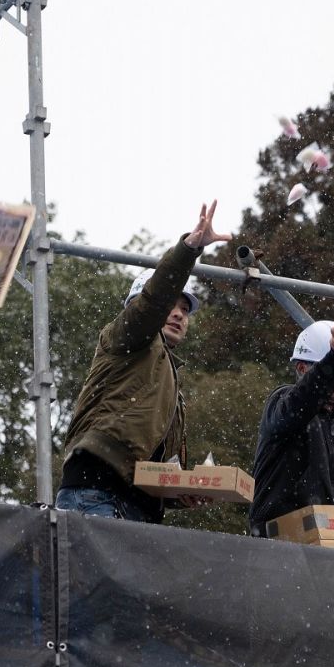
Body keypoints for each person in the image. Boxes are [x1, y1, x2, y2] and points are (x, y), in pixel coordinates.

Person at [56, 200, 231, 522]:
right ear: (138, 308)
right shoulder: (127, 336)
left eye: (185, 309)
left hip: (138, 506)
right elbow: (154, 300)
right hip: (98, 491)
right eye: (172, 305)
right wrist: (189, 250)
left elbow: (151, 469)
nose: (179, 313)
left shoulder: (168, 377)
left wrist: (182, 490)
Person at [249, 314, 334, 536]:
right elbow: (304, 398)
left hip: (331, 553)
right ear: (302, 369)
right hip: (276, 548)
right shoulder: (283, 404)